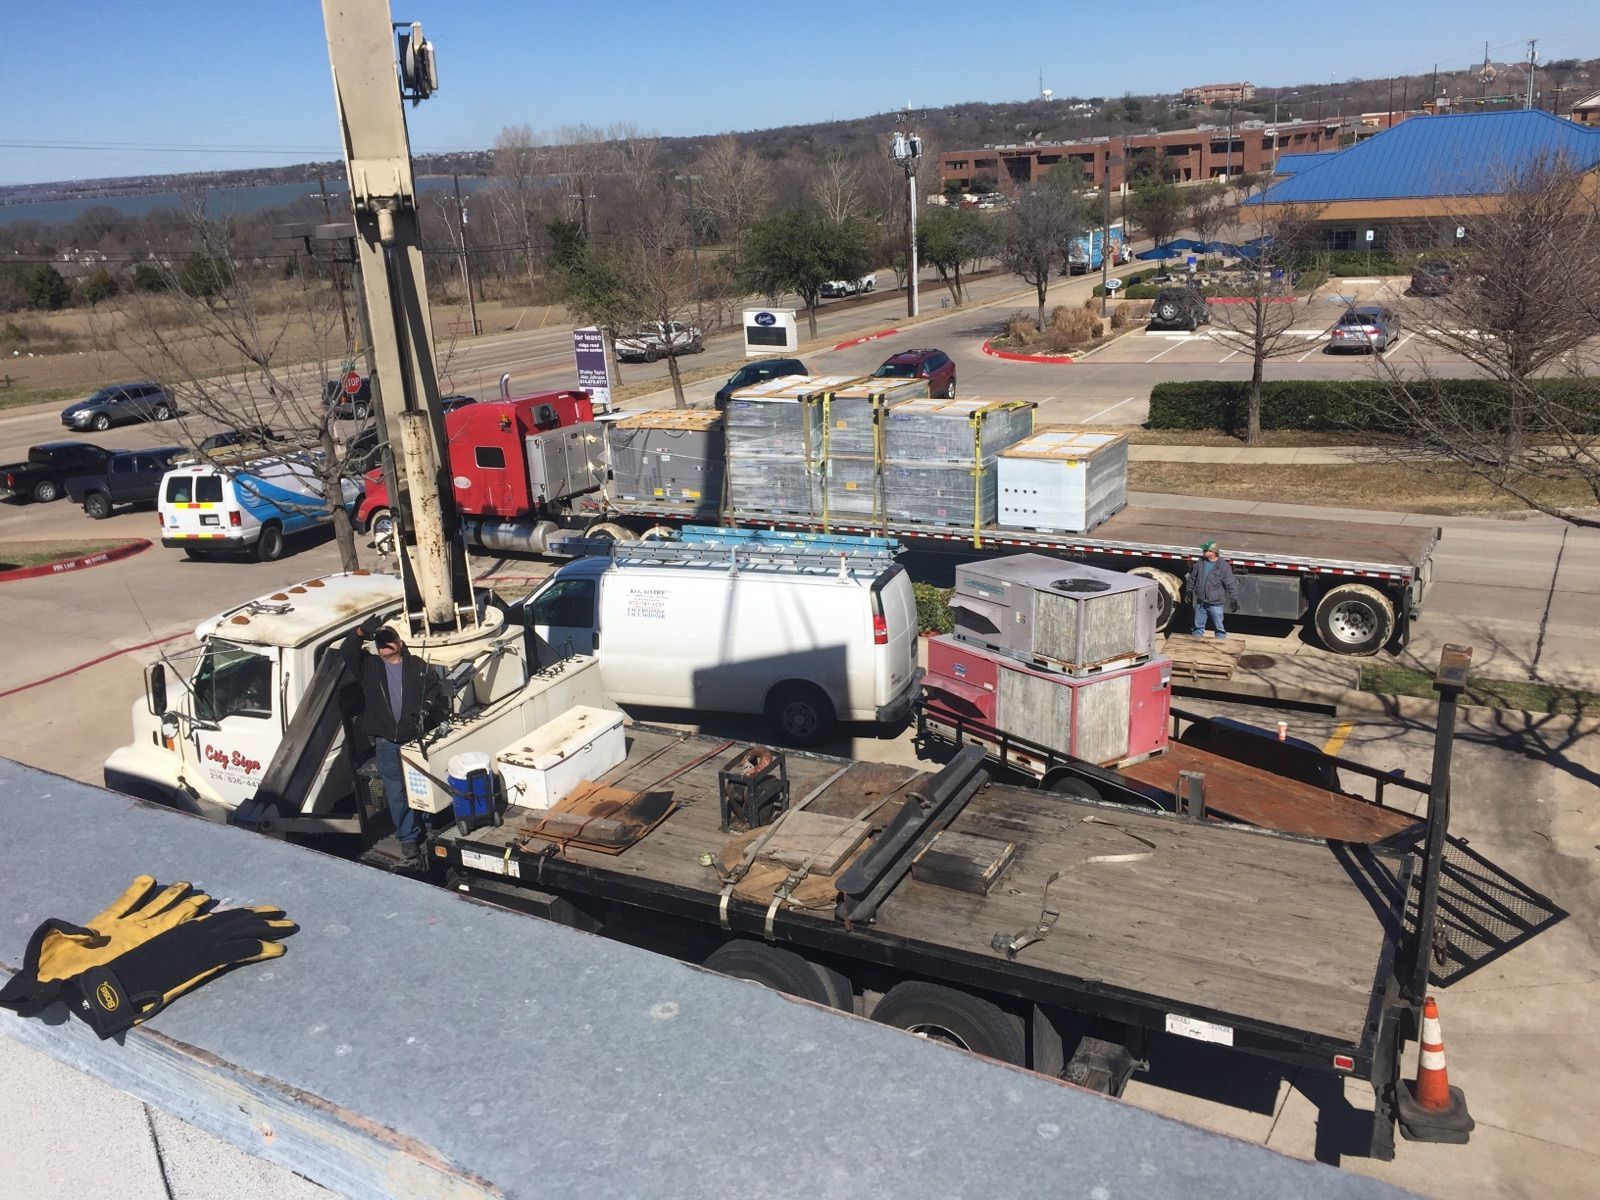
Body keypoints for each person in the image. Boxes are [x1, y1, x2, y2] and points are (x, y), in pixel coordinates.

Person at [341, 619, 446, 864]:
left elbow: (434, 688)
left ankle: (431, 825)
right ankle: (408, 838)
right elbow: (347, 651)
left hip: (416, 740)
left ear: (399, 643)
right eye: (379, 642)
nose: (384, 645)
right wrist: (360, 632)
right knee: (396, 791)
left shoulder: (418, 666)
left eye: (388, 640)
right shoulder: (369, 667)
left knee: (422, 785)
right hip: (387, 742)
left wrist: (428, 706)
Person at [1185, 539, 1240, 639]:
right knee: (1197, 628)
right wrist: (1188, 591)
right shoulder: (1200, 563)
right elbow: (1193, 578)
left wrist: (1234, 601)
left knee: (1219, 630)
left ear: (1213, 552)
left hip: (1216, 604)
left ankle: (1220, 647)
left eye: (1205, 550)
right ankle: (1196, 647)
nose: (1203, 552)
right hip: (1201, 603)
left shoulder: (1223, 566)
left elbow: (1231, 584)